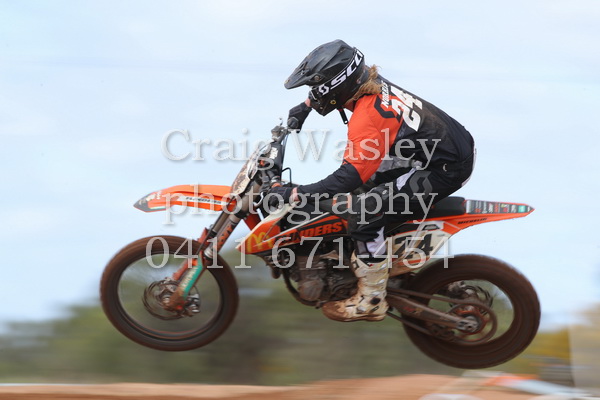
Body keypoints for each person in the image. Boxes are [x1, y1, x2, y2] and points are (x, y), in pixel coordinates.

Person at [269, 40, 475, 322]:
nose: (314, 93)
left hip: (444, 167)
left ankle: (372, 299)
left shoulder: (368, 116)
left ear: (335, 85)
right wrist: (306, 106)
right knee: (356, 196)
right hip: (432, 150)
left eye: (316, 89)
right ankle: (372, 257)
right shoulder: (367, 81)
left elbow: (348, 176)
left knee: (363, 213)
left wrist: (295, 193)